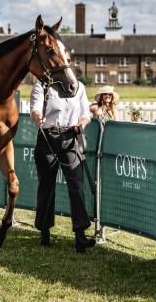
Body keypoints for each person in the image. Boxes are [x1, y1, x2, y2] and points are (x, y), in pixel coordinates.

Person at [30, 79, 96, 253]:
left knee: (76, 185)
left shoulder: (79, 86)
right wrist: (37, 117)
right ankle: (44, 232)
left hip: (70, 138)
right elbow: (35, 109)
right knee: (46, 186)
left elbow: (85, 114)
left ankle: (80, 235)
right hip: (47, 138)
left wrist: (81, 124)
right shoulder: (42, 85)